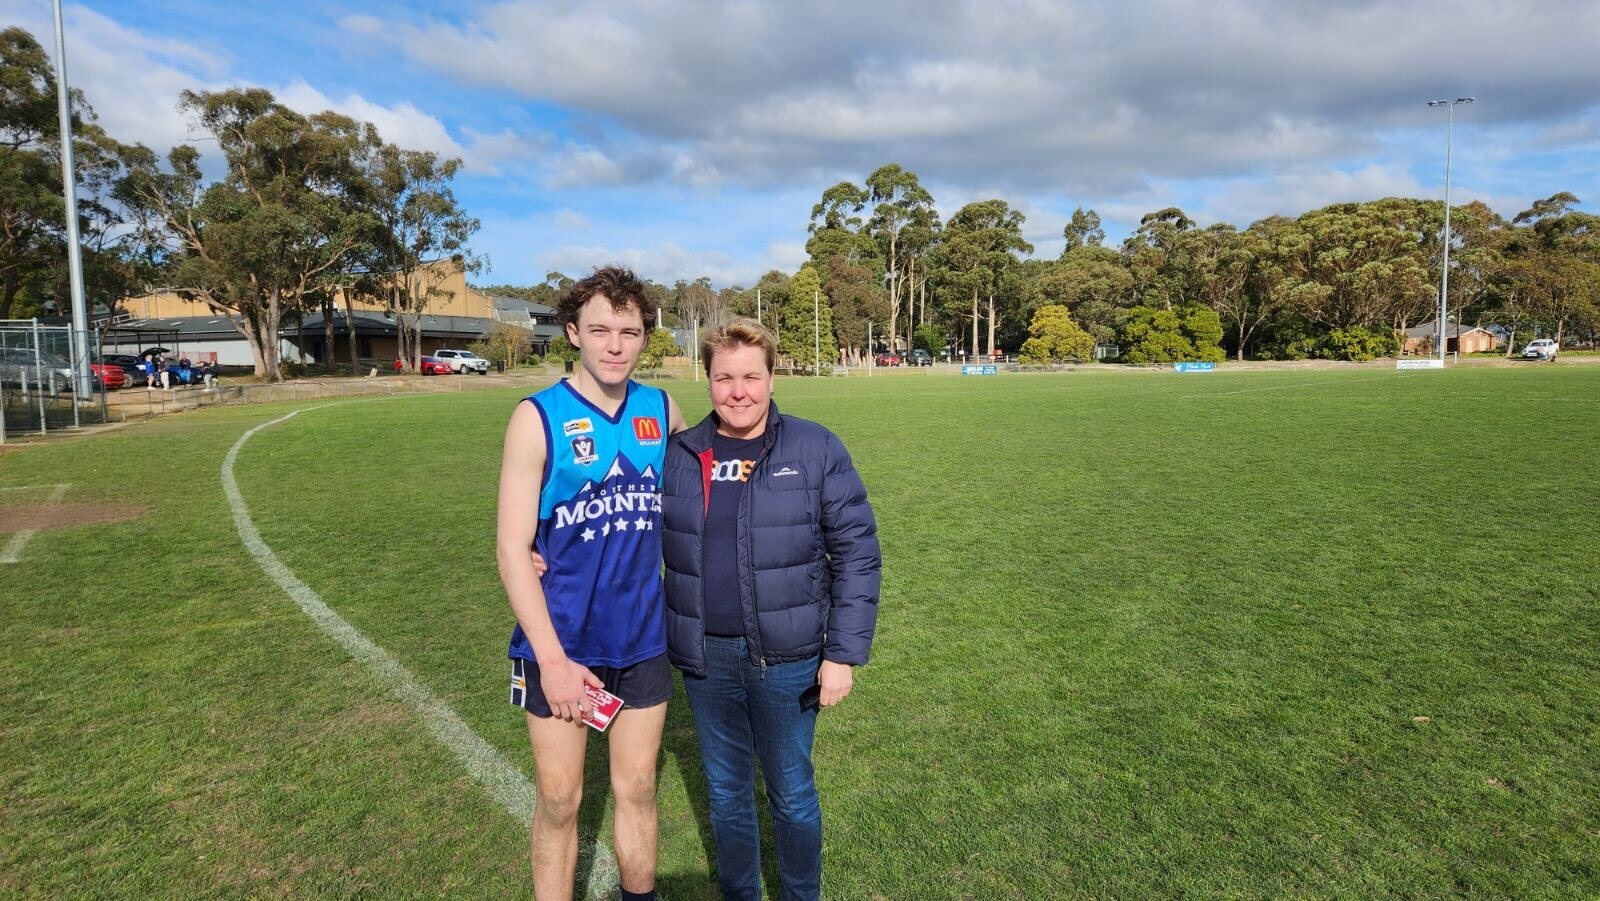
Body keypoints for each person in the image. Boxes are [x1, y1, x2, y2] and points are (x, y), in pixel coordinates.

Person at [661, 317, 881, 900]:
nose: (738, 391)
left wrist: (843, 654)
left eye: (751, 377)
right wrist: (545, 551)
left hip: (788, 660)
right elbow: (630, 529)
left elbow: (858, 553)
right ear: (705, 379)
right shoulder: (680, 454)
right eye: (724, 377)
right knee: (728, 795)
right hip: (707, 660)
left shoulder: (815, 446)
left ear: (772, 376)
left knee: (791, 792)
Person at [496, 265, 684, 901]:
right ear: (573, 332)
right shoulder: (536, 417)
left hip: (642, 638)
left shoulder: (660, 409)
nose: (614, 344)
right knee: (559, 799)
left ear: (644, 339)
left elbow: (704, 489)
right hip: (561, 644)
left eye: (629, 332)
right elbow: (510, 547)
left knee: (637, 789)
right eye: (600, 329)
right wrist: (552, 661)